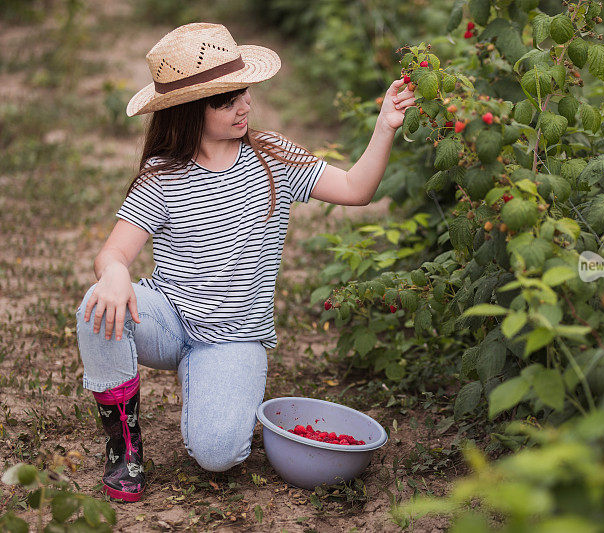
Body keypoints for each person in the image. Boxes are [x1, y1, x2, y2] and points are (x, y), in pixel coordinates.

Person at [74, 22, 415, 502]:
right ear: (189, 110)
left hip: (232, 337)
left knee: (218, 455)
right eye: (226, 99)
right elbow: (113, 251)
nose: (244, 105)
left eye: (244, 91)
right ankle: (125, 447)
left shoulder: (271, 156)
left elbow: (356, 190)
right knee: (96, 306)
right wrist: (113, 274)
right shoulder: (164, 174)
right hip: (169, 318)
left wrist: (384, 126)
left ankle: (215, 385)